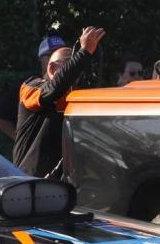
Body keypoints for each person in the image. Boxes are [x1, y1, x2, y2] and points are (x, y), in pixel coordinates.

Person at [14, 26, 106, 178]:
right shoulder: (31, 87)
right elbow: (53, 90)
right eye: (70, 62)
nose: (77, 69)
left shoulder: (76, 96)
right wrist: (84, 52)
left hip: (62, 183)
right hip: (28, 181)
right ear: (52, 68)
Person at [0, 34, 67, 139]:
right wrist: (19, 139)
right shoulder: (28, 85)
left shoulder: (74, 85)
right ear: (40, 59)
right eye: (51, 55)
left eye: (62, 55)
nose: (56, 59)